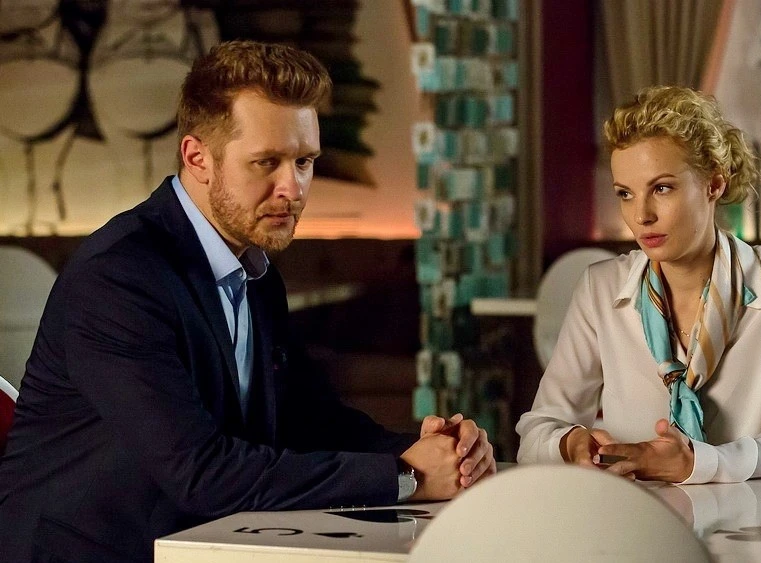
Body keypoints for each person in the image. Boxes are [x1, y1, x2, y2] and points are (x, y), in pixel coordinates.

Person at [0, 40, 495, 563]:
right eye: (267, 162)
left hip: (199, 543)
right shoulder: (118, 278)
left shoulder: (255, 271)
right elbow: (201, 472)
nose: (293, 188)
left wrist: (433, 452)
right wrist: (406, 477)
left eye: (304, 161)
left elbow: (308, 419)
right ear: (197, 158)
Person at [517, 85, 761, 484]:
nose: (641, 215)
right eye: (625, 194)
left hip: (752, 513)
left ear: (714, 184)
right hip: (635, 513)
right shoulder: (601, 287)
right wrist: (570, 443)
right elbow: (537, 432)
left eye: (661, 188)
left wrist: (700, 463)